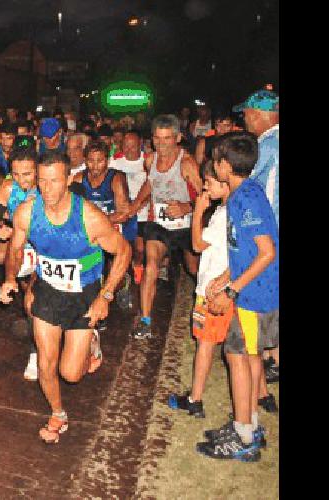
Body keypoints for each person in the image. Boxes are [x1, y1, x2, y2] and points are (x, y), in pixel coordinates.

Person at [0, 151, 131, 444]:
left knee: (71, 374)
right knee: (46, 364)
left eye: (54, 181)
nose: (47, 189)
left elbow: (123, 252)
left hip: (84, 296)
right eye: (42, 181)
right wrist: (10, 277)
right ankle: (58, 413)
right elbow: (15, 249)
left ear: (69, 180)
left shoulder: (89, 216)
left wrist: (105, 296)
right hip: (48, 291)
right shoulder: (26, 211)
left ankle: (92, 343)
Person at [196, 132, 278, 462]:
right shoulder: (247, 192)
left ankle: (244, 434)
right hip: (252, 289)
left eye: (216, 162)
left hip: (253, 296)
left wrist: (232, 290)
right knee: (250, 355)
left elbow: (266, 252)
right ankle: (250, 424)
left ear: (225, 166)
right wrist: (226, 276)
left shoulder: (244, 199)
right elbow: (243, 248)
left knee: (237, 357)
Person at [167, 159, 231, 419]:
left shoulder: (222, 215)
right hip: (224, 284)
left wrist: (197, 212)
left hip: (214, 289)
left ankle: (195, 398)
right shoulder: (231, 209)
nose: (204, 186)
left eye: (209, 182)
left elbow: (197, 244)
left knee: (205, 343)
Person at [128, 115, 203, 339]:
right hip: (158, 224)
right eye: (157, 139)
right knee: (151, 266)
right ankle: (145, 320)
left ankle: (207, 309)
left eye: (167, 139)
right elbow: (150, 184)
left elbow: (206, 197)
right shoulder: (150, 160)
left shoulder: (187, 163)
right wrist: (135, 206)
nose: (162, 144)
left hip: (185, 227)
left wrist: (186, 207)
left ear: (178, 138)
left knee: (194, 269)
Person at [235, 89, 280, 382]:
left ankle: (268, 357)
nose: (244, 119)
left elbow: (249, 186)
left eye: (247, 113)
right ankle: (270, 357)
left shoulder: (268, 145)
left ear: (259, 114)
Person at [0, 150, 42, 380]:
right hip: (20, 248)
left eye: (27, 174)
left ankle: (36, 352)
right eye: (17, 173)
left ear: (38, 170)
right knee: (2, 256)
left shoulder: (47, 186)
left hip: (45, 249)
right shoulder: (9, 187)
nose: (22, 180)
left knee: (32, 304)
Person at [71, 143, 137, 312]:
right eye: (91, 161)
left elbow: (124, 212)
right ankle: (93, 300)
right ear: (85, 161)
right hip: (94, 227)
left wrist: (99, 220)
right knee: (90, 262)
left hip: (118, 224)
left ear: (107, 161)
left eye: (99, 161)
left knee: (114, 265)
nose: (95, 165)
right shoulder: (79, 178)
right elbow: (72, 208)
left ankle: (122, 285)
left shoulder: (116, 178)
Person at [108, 130, 150, 286]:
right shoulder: (115, 162)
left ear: (140, 144)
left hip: (142, 212)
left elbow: (154, 187)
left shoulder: (148, 161)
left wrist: (139, 205)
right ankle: (120, 276)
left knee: (139, 248)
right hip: (122, 212)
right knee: (121, 247)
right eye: (126, 146)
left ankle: (137, 267)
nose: (129, 150)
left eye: (133, 146)